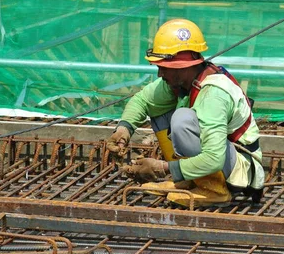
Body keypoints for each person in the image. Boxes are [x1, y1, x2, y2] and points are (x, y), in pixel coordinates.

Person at [107, 18, 264, 208]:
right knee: (160, 111)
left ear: (180, 66)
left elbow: (214, 158)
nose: (159, 74)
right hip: (220, 160)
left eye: (163, 68)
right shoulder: (182, 81)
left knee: (181, 119)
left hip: (240, 171)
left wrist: (162, 168)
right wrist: (124, 130)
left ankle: (214, 191)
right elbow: (142, 100)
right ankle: (190, 182)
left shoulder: (213, 94)